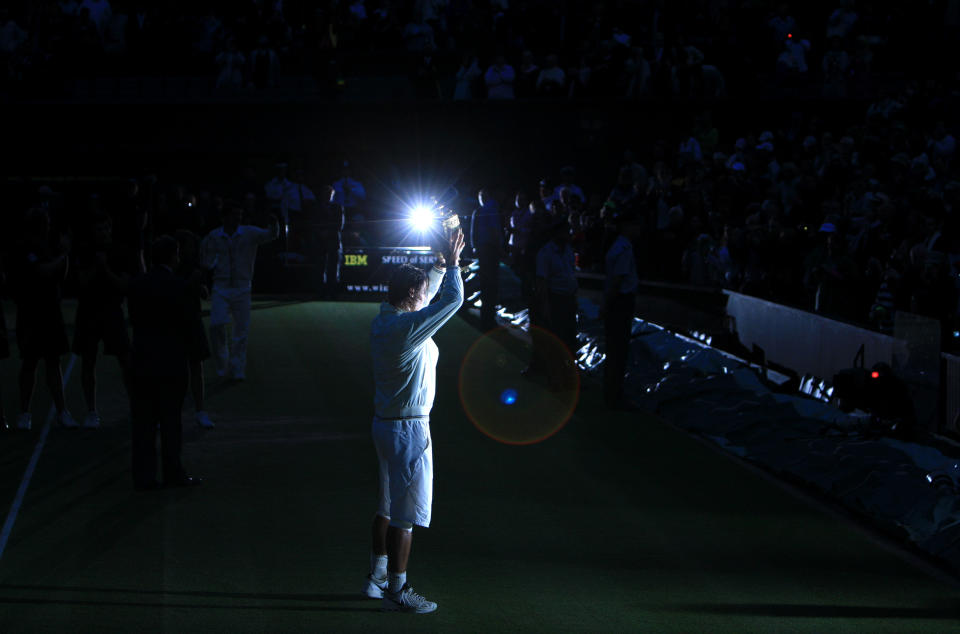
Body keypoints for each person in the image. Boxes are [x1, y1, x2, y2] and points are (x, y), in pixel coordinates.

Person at [363, 228, 465, 614]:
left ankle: (375, 578)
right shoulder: (408, 329)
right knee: (405, 518)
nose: (425, 297)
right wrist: (453, 266)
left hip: (384, 424)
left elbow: (426, 299)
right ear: (411, 296)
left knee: (385, 507)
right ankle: (398, 589)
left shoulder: (384, 319)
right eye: (421, 293)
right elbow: (452, 301)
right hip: (409, 430)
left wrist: (438, 266)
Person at [128, 236, 201, 489]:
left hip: (143, 361)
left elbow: (135, 319)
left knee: (143, 424)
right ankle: (173, 473)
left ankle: (144, 477)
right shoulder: (179, 286)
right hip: (171, 362)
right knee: (171, 422)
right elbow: (188, 325)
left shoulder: (138, 285)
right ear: (172, 256)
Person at [11, 208, 77, 431]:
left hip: (50, 310)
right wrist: (63, 256)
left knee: (53, 361)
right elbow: (43, 271)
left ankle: (62, 411)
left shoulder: (49, 246)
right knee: (30, 362)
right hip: (31, 312)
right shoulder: (24, 247)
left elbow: (61, 274)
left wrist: (62, 257)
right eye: (45, 223)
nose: (49, 226)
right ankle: (24, 413)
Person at [201, 204, 279, 381]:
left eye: (239, 215)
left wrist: (274, 224)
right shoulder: (214, 236)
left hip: (242, 287)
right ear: (224, 217)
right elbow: (206, 260)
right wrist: (210, 268)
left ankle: (237, 368)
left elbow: (271, 235)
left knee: (241, 331)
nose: (238, 219)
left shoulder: (249, 232)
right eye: (234, 215)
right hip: (221, 286)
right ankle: (222, 365)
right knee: (216, 325)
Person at [72, 213, 136, 429]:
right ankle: (91, 411)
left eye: (105, 229)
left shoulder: (121, 251)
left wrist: (105, 269)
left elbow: (124, 286)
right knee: (88, 361)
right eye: (98, 229)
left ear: (110, 229)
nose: (102, 233)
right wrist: (96, 267)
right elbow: (81, 282)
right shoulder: (84, 250)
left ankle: (134, 406)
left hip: (112, 311)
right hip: (88, 312)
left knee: (126, 360)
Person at [176, 229, 214, 429]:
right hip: (174, 323)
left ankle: (200, 411)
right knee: (174, 370)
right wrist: (191, 283)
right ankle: (170, 412)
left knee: (196, 367)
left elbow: (205, 293)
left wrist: (201, 287)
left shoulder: (197, 266)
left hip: (192, 319)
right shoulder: (171, 266)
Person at [535, 220, 579, 391]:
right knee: (557, 340)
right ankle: (555, 378)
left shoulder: (568, 250)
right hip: (556, 299)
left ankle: (569, 378)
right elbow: (542, 281)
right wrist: (545, 305)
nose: (567, 235)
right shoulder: (546, 253)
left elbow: (572, 274)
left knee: (570, 339)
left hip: (568, 298)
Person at [603, 214, 640, 409]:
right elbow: (617, 281)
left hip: (616, 301)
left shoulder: (617, 245)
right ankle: (614, 393)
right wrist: (607, 304)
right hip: (621, 302)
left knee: (613, 348)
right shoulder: (624, 249)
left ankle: (611, 391)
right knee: (618, 349)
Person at [470, 188, 503, 331]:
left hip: (487, 249)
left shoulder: (482, 210)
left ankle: (487, 318)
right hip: (489, 249)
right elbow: (493, 229)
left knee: (488, 285)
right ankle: (488, 318)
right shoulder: (485, 210)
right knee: (490, 285)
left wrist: (475, 247)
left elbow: (475, 231)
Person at [313, 185, 345, 299]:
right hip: (320, 241)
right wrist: (321, 233)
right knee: (320, 267)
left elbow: (340, 224)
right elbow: (314, 223)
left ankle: (333, 292)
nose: (328, 196)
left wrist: (328, 232)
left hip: (333, 241)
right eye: (326, 193)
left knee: (333, 268)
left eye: (329, 193)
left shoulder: (337, 207)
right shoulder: (317, 208)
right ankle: (321, 292)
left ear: (332, 195)